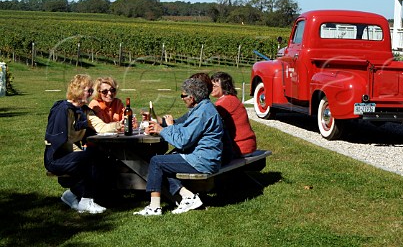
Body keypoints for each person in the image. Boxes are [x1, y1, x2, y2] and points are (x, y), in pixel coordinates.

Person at [134, 78, 223, 216]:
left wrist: (161, 130)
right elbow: (183, 128)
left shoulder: (201, 113)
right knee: (165, 162)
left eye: (183, 96)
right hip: (206, 157)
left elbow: (183, 141)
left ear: (191, 97)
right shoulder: (203, 108)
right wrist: (162, 125)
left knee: (156, 162)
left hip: (202, 160)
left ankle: (154, 207)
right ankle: (188, 197)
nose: (182, 99)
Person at [44, 74, 121, 214]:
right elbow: (63, 142)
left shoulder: (84, 110)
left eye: (92, 91)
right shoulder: (63, 110)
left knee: (101, 156)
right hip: (57, 158)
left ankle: (72, 194)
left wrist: (119, 124)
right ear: (78, 90)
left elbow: (102, 127)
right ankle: (86, 200)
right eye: (89, 90)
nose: (92, 94)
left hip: (73, 155)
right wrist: (82, 155)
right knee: (91, 157)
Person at [210, 72, 257, 157]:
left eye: (214, 86)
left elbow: (209, 122)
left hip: (240, 147)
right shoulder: (231, 98)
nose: (211, 88)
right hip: (248, 144)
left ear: (224, 86)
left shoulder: (226, 102)